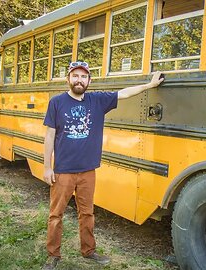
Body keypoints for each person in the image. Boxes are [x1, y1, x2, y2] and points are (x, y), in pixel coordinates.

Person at [42, 61, 164, 270]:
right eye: (75, 76)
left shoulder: (97, 101)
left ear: (89, 80)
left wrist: (149, 86)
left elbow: (124, 94)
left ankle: (88, 251)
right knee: (56, 214)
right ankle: (53, 255)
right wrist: (47, 167)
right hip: (63, 171)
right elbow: (50, 135)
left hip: (88, 170)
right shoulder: (57, 102)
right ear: (68, 79)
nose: (79, 80)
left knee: (87, 213)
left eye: (83, 77)